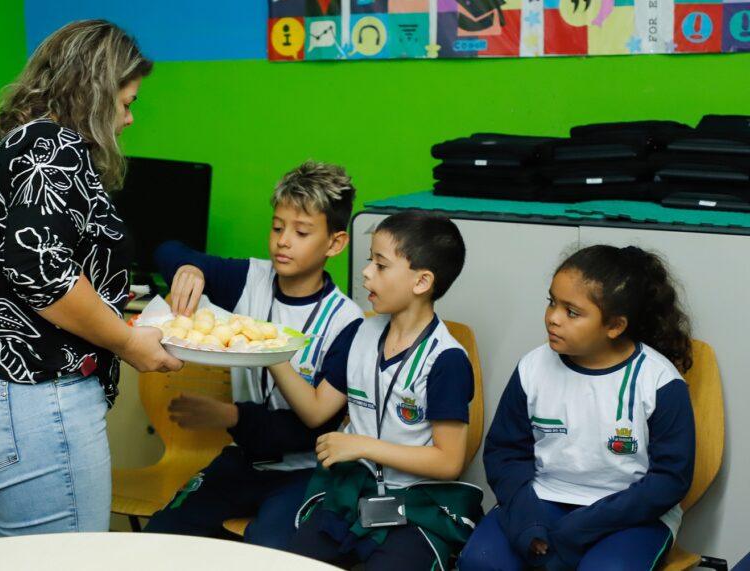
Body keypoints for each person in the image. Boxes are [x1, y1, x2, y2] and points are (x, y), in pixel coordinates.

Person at [0, 19, 182, 538]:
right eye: (126, 101)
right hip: (29, 393)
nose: (129, 119)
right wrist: (130, 342)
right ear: (93, 92)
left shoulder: (20, 147)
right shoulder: (54, 147)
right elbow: (43, 272)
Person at [144, 161, 364, 549]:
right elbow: (166, 248)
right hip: (243, 458)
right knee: (163, 536)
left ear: (335, 243)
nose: (283, 241)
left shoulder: (347, 322)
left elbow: (314, 427)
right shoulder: (250, 278)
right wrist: (191, 268)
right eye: (277, 227)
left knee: (268, 548)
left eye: (301, 232)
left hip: (304, 471)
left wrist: (232, 416)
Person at [458, 245, 696, 571]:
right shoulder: (532, 367)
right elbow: (505, 453)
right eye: (551, 302)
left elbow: (669, 480)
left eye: (572, 312)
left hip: (631, 516)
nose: (553, 318)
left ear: (614, 326)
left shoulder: (658, 381)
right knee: (481, 561)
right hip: (542, 502)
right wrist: (527, 521)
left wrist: (581, 527)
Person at [268, 210, 480, 571]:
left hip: (414, 506)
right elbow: (316, 411)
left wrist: (361, 445)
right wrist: (270, 353)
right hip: (352, 492)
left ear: (421, 281)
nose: (366, 272)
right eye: (370, 261)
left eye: (381, 265)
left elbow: (448, 462)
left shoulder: (446, 360)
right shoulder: (358, 333)